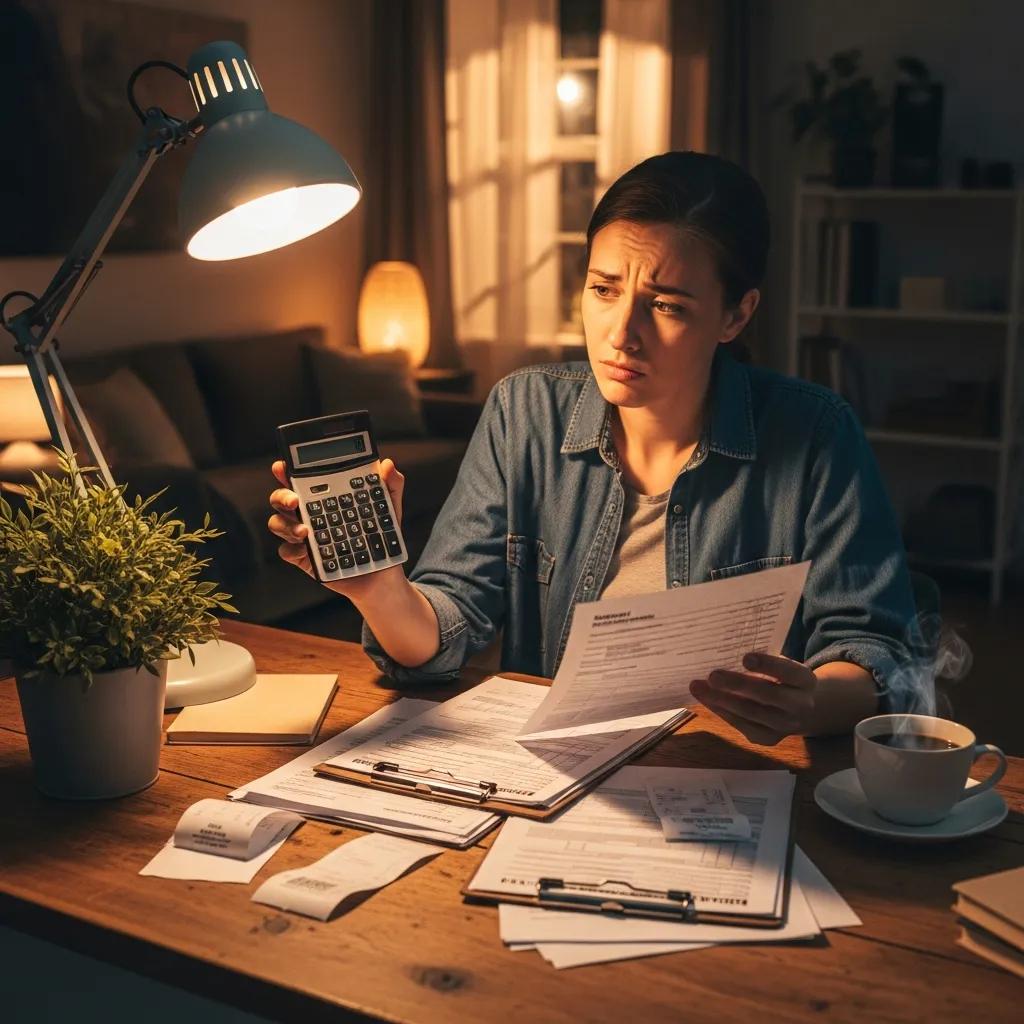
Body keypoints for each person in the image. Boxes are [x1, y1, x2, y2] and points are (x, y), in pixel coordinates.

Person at [268, 150, 916, 746]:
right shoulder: (525, 412)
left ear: (736, 315)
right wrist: (379, 589)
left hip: (732, 777)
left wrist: (811, 701)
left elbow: (877, 652)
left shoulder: (817, 434)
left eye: (665, 306)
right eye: (604, 290)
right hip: (556, 776)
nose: (621, 335)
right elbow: (444, 632)